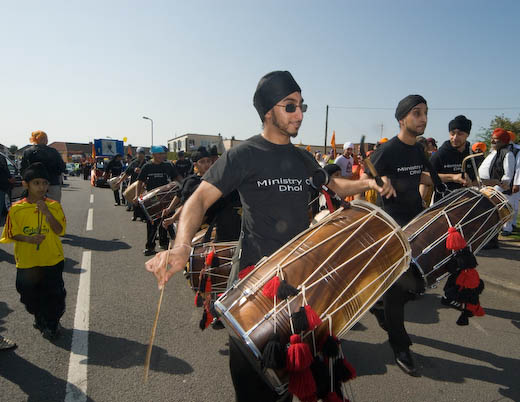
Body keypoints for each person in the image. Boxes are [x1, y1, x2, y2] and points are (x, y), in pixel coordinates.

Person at [145, 70, 394, 402]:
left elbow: (334, 186)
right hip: (254, 281)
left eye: (301, 105)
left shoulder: (302, 157)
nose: (300, 114)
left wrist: (368, 184)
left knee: (289, 381)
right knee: (251, 385)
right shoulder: (244, 154)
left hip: (300, 283)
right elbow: (199, 199)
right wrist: (181, 247)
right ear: (267, 111)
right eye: (289, 106)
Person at [367, 95, 444, 377]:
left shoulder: (419, 150)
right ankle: (400, 346)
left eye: (425, 113)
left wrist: (452, 180)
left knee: (413, 287)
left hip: (417, 221)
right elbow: (369, 169)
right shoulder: (389, 150)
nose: (423, 118)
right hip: (394, 229)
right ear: (402, 119)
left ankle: (379, 306)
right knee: (398, 291)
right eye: (416, 113)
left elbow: (420, 178)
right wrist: (380, 183)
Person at [0, 163, 67, 340]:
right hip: (27, 262)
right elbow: (10, 233)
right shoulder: (16, 209)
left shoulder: (54, 206)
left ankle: (52, 324)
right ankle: (39, 315)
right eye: (36, 183)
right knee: (28, 296)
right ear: (26, 184)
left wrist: (47, 214)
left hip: (52, 259)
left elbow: (60, 230)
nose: (42, 187)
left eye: (45, 183)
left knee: (55, 295)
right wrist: (28, 239)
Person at [136, 146, 182, 255]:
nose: (163, 156)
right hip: (152, 200)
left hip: (167, 198)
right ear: (153, 155)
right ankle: (150, 247)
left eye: (163, 154)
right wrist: (137, 196)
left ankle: (164, 243)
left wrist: (185, 184)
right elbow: (139, 182)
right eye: (160, 154)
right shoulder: (147, 166)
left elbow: (176, 178)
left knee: (166, 222)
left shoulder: (168, 165)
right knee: (152, 223)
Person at [478, 128, 516, 246]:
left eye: (497, 140)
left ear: (504, 142)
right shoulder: (493, 152)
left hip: (494, 191)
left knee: (492, 218)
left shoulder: (507, 154)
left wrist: (495, 191)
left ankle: (491, 241)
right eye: (492, 139)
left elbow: (507, 176)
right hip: (485, 188)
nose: (493, 142)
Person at [430, 115, 474, 203]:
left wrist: (495, 182)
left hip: (468, 205)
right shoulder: (439, 155)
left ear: (467, 134)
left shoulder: (472, 155)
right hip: (443, 207)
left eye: (460, 134)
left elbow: (477, 181)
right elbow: (425, 178)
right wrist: (453, 177)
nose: (455, 137)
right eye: (452, 133)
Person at [20, 131, 66, 202]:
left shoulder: (28, 152)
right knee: (53, 208)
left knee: (33, 208)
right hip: (52, 183)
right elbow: (62, 167)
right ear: (46, 140)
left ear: (34, 139)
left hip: (34, 185)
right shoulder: (54, 151)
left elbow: (23, 170)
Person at [119, 147, 148, 220]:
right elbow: (126, 173)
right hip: (134, 185)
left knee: (142, 201)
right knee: (135, 201)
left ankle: (142, 216)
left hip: (143, 186)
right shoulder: (133, 163)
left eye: (142, 154)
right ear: (137, 154)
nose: (140, 155)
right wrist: (119, 181)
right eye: (139, 154)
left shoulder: (147, 163)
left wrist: (141, 170)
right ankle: (135, 215)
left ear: (144, 154)